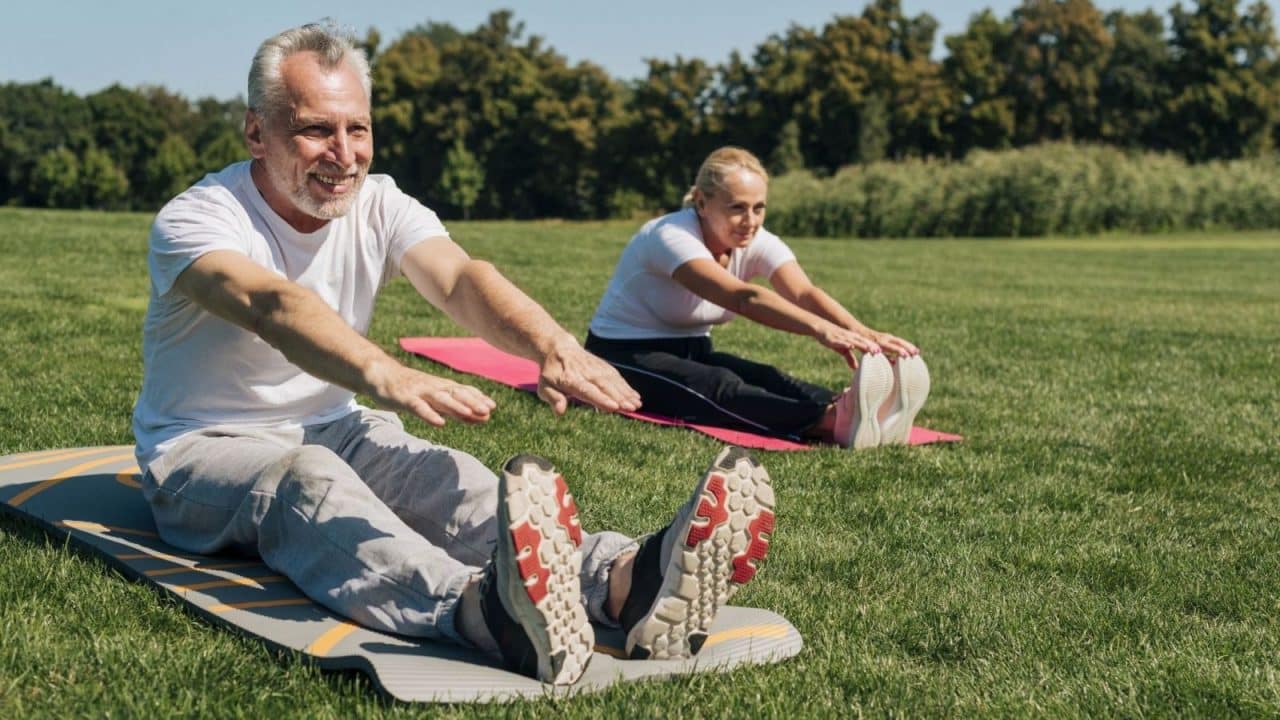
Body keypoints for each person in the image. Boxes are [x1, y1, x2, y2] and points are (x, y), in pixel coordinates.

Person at [131, 22, 776, 686]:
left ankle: (622, 584)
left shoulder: (378, 202)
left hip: (337, 427)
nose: (344, 153)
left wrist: (551, 346)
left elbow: (462, 278)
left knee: (443, 477)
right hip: (203, 447)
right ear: (256, 133)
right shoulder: (199, 218)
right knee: (306, 485)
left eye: (358, 129)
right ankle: (480, 610)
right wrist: (383, 372)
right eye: (315, 130)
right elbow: (273, 304)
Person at [585, 146, 930, 450]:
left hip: (692, 349)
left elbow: (804, 292)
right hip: (622, 354)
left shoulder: (754, 239)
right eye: (737, 207)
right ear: (702, 203)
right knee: (718, 386)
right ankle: (828, 422)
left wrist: (865, 334)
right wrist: (818, 329)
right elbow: (743, 298)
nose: (750, 221)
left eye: (758, 208)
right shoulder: (670, 236)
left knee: (767, 376)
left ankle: (860, 410)